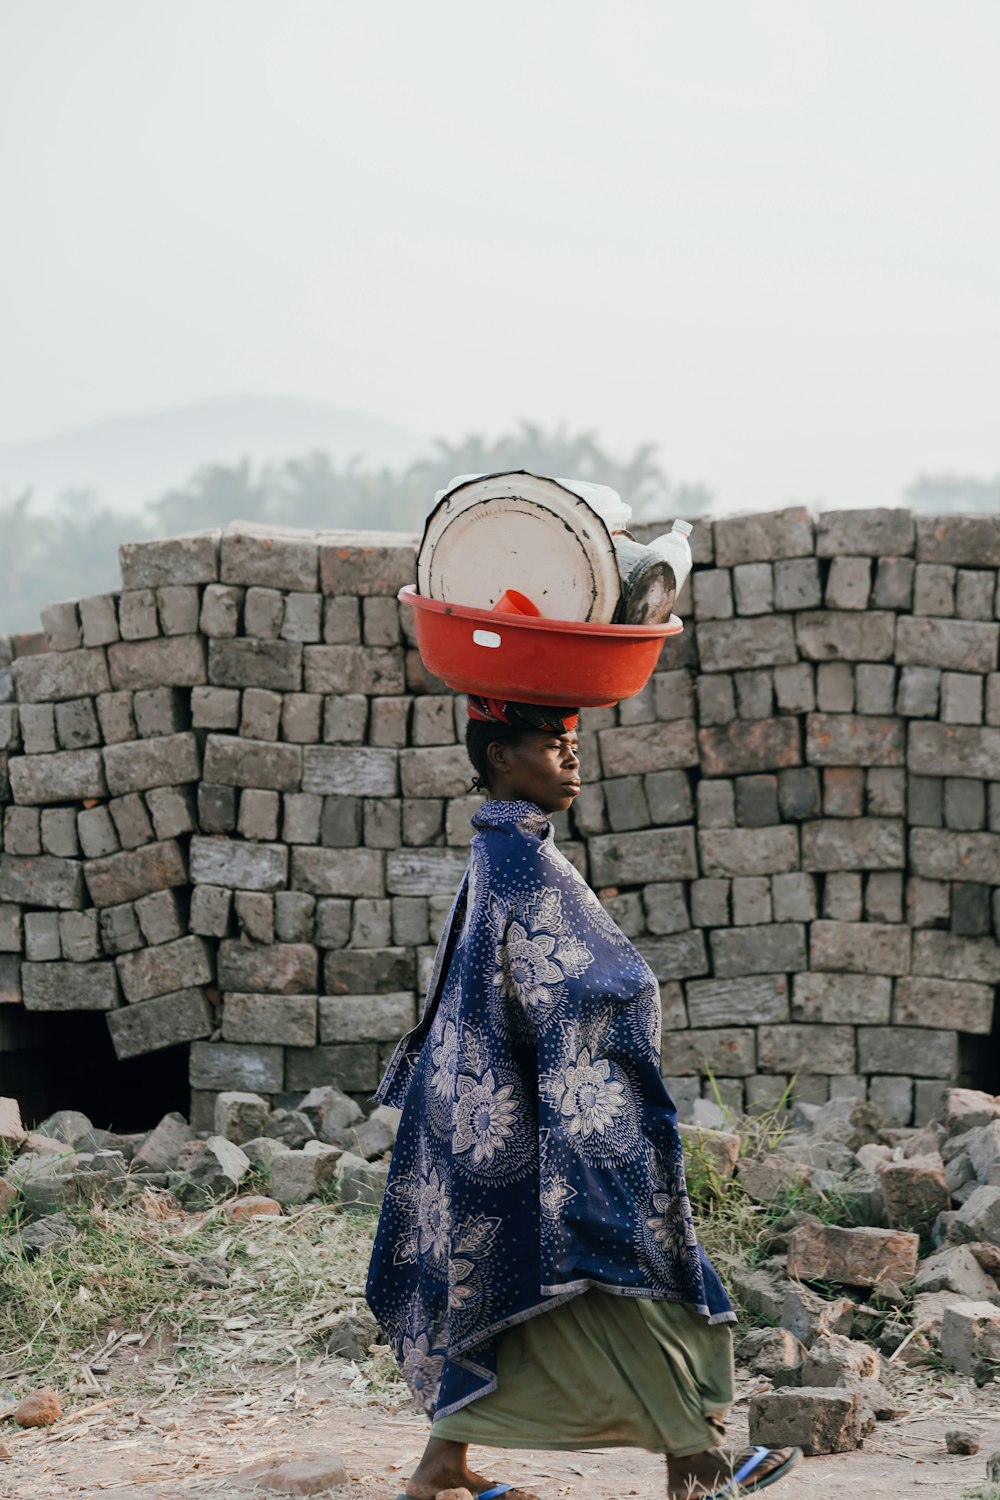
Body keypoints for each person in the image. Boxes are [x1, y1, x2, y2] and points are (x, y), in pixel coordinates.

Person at [366, 698, 801, 1499]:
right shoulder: (519, 859)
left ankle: (441, 1469)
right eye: (552, 747)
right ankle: (696, 1469)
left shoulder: (505, 849)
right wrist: (633, 987)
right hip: (549, 1114)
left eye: (574, 745)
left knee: (519, 1280)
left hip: (512, 1109)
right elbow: (574, 983)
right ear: (501, 758)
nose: (573, 761)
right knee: (627, 1264)